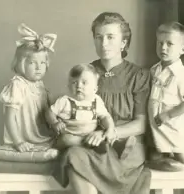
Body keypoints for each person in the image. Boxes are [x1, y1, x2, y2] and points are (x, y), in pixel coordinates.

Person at [53, 12, 151, 194]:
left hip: (125, 146)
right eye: (99, 37)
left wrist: (106, 133)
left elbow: (141, 124)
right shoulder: (86, 73)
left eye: (110, 37)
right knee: (74, 155)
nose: (104, 43)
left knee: (78, 156)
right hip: (88, 142)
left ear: (123, 43)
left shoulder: (138, 75)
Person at [0, 23, 57, 152]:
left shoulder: (39, 84)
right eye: (32, 63)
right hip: (24, 139)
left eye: (42, 63)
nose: (38, 67)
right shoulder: (17, 85)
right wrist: (18, 141)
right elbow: (10, 117)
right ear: (22, 63)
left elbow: (46, 111)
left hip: (41, 136)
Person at [45, 63, 122, 155]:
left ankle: (117, 145)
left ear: (95, 89)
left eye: (84, 83)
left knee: (103, 134)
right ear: (68, 86)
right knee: (67, 140)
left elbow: (105, 117)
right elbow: (49, 112)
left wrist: (110, 129)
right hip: (70, 135)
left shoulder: (96, 100)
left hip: (91, 134)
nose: (79, 86)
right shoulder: (65, 100)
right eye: (74, 82)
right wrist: (54, 122)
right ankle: (94, 145)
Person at [148, 22, 184, 165]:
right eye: (160, 43)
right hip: (157, 126)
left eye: (169, 44)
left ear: (182, 49)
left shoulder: (181, 74)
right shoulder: (154, 69)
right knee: (157, 159)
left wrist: (167, 115)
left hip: (172, 124)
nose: (163, 47)